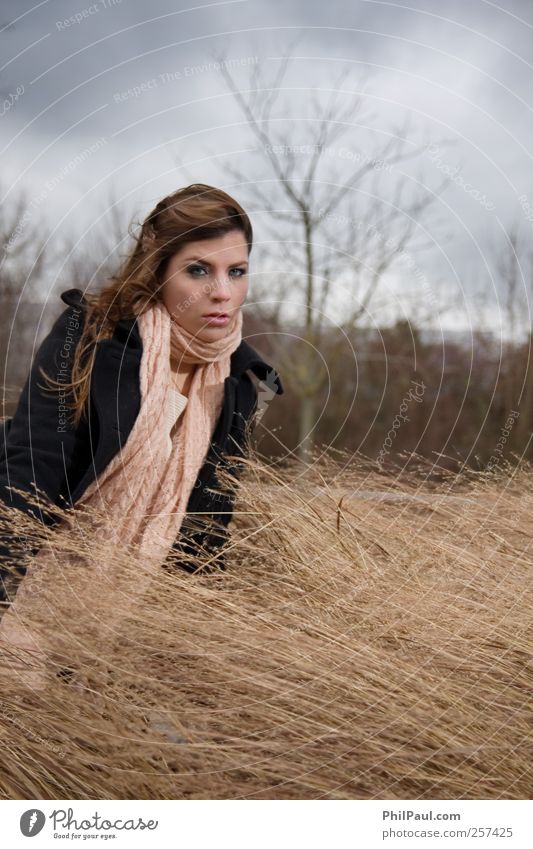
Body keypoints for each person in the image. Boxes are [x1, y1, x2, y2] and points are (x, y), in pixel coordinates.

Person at [0, 183, 284, 687]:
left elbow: (207, 527)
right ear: (158, 271)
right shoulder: (88, 341)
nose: (222, 291)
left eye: (236, 271)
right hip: (32, 603)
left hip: (126, 630)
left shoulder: (238, 381)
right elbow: (28, 474)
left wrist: (184, 646)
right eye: (199, 269)